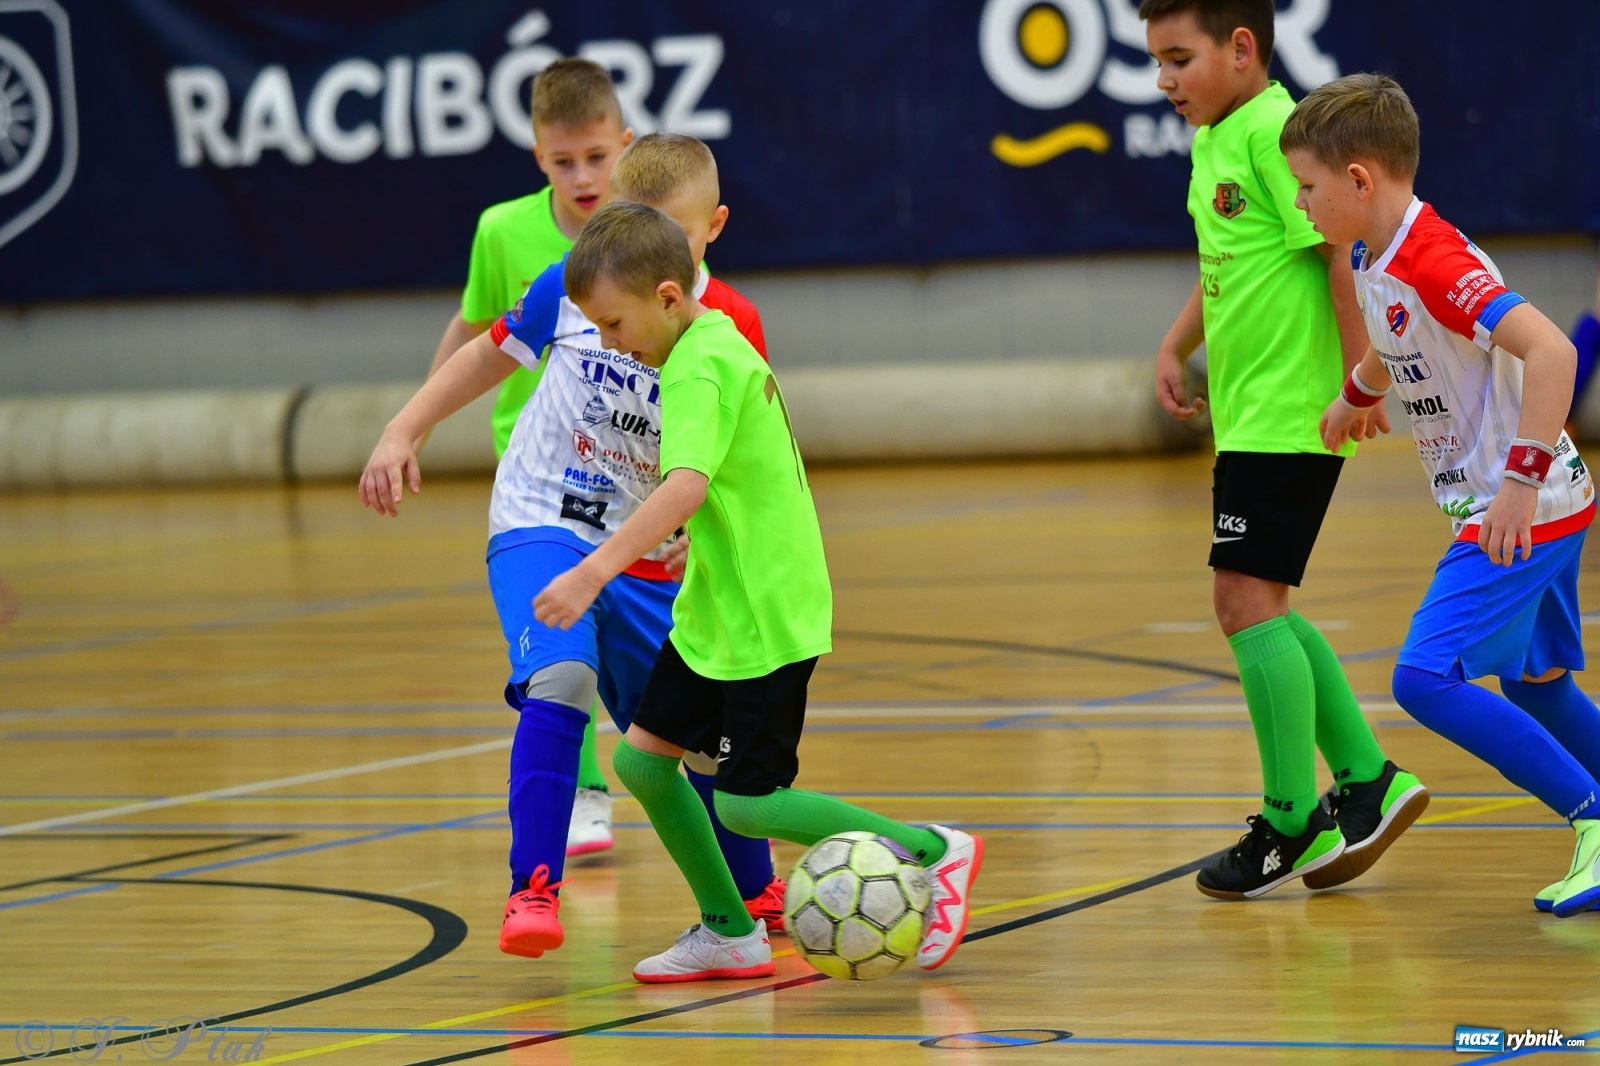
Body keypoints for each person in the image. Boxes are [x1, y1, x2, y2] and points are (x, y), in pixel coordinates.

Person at [533, 200, 983, 982]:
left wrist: (591, 570)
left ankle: (932, 850)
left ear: (667, 297)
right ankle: (728, 930)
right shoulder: (709, 339)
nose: (608, 344)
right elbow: (733, 481)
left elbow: (685, 484)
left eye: (613, 324)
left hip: (765, 615)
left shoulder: (697, 366)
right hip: (717, 610)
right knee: (642, 764)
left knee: (748, 803)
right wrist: (698, 540)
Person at [360, 136, 783, 959]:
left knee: (697, 736)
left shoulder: (730, 324)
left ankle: (754, 897)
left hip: (647, 548)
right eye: (630, 221)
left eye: (669, 230)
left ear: (712, 228)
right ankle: (533, 888)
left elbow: (742, 455)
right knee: (562, 676)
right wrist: (403, 429)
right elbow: (485, 354)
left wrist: (701, 540)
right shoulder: (573, 284)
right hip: (544, 515)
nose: (643, 245)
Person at [1289, 73, 1600, 917]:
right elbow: (1398, 338)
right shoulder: (1372, 255)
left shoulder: (1434, 259)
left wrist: (1517, 485)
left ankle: (1592, 819)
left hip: (1520, 509)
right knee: (1538, 686)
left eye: (1307, 187)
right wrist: (1357, 394)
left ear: (1359, 180)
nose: (1301, 203)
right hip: (1546, 502)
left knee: (1423, 678)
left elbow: (1554, 353)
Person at [1140, 0, 1428, 900]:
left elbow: (1337, 256)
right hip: (1253, 414)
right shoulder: (1214, 140)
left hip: (1291, 411)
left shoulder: (1275, 131)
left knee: (1241, 602)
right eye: (1156, 62)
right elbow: (1226, 262)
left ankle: (1292, 822)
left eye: (1179, 58)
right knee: (1261, 602)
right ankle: (1369, 778)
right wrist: (1176, 343)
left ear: (1241, 47)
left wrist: (1357, 382)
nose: (1164, 80)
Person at [425, 57, 633, 857]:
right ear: (538, 155)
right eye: (563, 161)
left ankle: (711, 786)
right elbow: (476, 327)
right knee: (559, 627)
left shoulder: (647, 234)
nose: (583, 177)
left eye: (596, 157)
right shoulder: (502, 231)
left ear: (624, 144)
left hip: (629, 465)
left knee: (637, 640)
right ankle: (582, 789)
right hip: (538, 473)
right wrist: (421, 418)